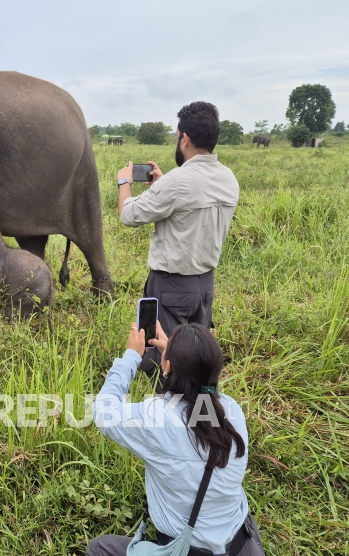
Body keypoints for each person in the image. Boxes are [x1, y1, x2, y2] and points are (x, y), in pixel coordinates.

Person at [87, 322, 265, 555]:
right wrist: (181, 359)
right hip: (242, 545)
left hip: (188, 550)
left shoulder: (157, 420)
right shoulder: (232, 411)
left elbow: (103, 411)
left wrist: (131, 356)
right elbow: (195, 395)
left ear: (168, 364)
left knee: (99, 548)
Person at [117, 101, 239, 382]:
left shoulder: (177, 181)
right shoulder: (228, 179)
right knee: (195, 355)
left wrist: (124, 183)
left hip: (171, 284)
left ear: (184, 139)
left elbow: (129, 214)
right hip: (205, 286)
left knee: (163, 357)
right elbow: (191, 201)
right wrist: (162, 183)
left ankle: (168, 411)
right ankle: (202, 410)